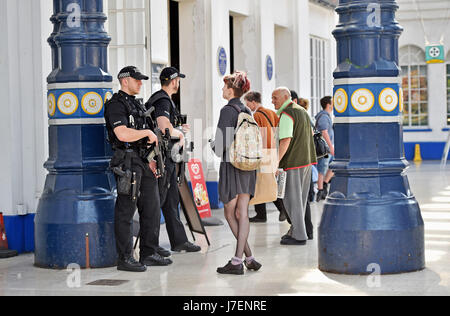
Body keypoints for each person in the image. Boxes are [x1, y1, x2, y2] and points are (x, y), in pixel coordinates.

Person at [104, 66, 165, 272]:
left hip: (142, 161)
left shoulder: (137, 105)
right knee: (126, 210)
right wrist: (146, 133)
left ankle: (149, 252)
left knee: (152, 207)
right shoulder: (116, 105)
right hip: (127, 161)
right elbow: (122, 134)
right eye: (136, 79)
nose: (140, 83)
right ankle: (126, 257)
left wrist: (152, 159)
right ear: (124, 81)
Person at [146, 67, 201, 255]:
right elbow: (163, 127)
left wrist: (178, 127)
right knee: (158, 201)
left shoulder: (162, 99)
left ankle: (179, 241)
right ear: (174, 81)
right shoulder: (162, 99)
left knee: (171, 201)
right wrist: (180, 134)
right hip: (163, 158)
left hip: (167, 158)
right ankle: (150, 246)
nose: (179, 84)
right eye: (178, 80)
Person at [211, 71, 262, 275]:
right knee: (243, 213)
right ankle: (247, 258)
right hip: (248, 167)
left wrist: (213, 145)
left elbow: (221, 144)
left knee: (230, 213)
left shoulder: (228, 110)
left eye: (224, 87)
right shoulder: (246, 110)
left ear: (231, 90)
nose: (222, 90)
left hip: (232, 166)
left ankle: (236, 261)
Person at [272, 87, 317, 245]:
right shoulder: (302, 111)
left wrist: (275, 162)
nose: (272, 101)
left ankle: (299, 235)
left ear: (285, 97)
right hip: (307, 161)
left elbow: (285, 140)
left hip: (293, 163)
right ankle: (297, 231)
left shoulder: (287, 114)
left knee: (291, 200)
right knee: (301, 200)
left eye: (275, 98)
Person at [243, 91, 288, 223]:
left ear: (253, 102)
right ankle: (262, 213)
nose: (247, 106)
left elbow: (256, 136)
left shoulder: (256, 115)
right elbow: (276, 129)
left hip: (263, 152)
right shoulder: (270, 112)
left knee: (262, 183)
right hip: (272, 150)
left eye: (247, 103)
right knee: (265, 182)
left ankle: (279, 210)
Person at [290, 90, 315, 240]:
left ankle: (303, 230)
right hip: (307, 159)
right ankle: (306, 230)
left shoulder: (295, 114)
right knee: (303, 198)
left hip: (300, 160)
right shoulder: (304, 114)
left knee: (300, 199)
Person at [315, 96, 335, 202]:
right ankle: (320, 190)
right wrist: (330, 146)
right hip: (325, 149)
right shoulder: (323, 117)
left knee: (333, 164)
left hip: (327, 148)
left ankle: (324, 184)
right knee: (322, 168)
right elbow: (324, 131)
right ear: (328, 104)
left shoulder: (326, 116)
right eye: (332, 102)